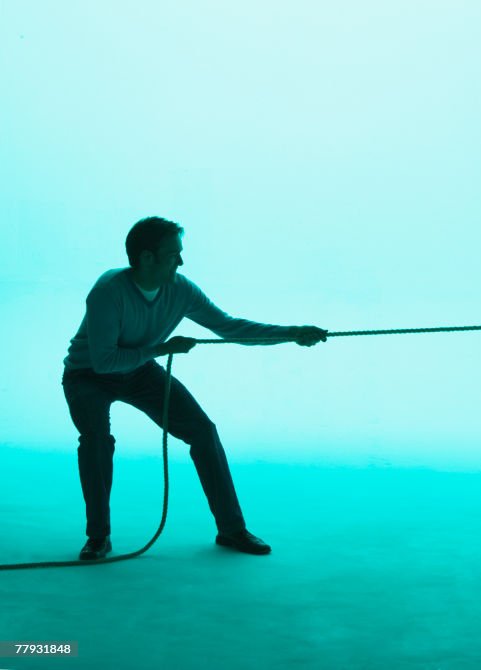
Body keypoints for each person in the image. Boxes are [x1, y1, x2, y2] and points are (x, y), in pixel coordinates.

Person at [63, 216, 328, 560]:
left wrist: (291, 333)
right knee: (96, 443)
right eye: (174, 254)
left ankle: (232, 529)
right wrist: (161, 350)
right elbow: (104, 362)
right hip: (88, 376)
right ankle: (98, 537)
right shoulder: (108, 293)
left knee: (203, 432)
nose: (181, 262)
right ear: (146, 258)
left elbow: (229, 328)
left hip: (141, 371)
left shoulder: (181, 289)